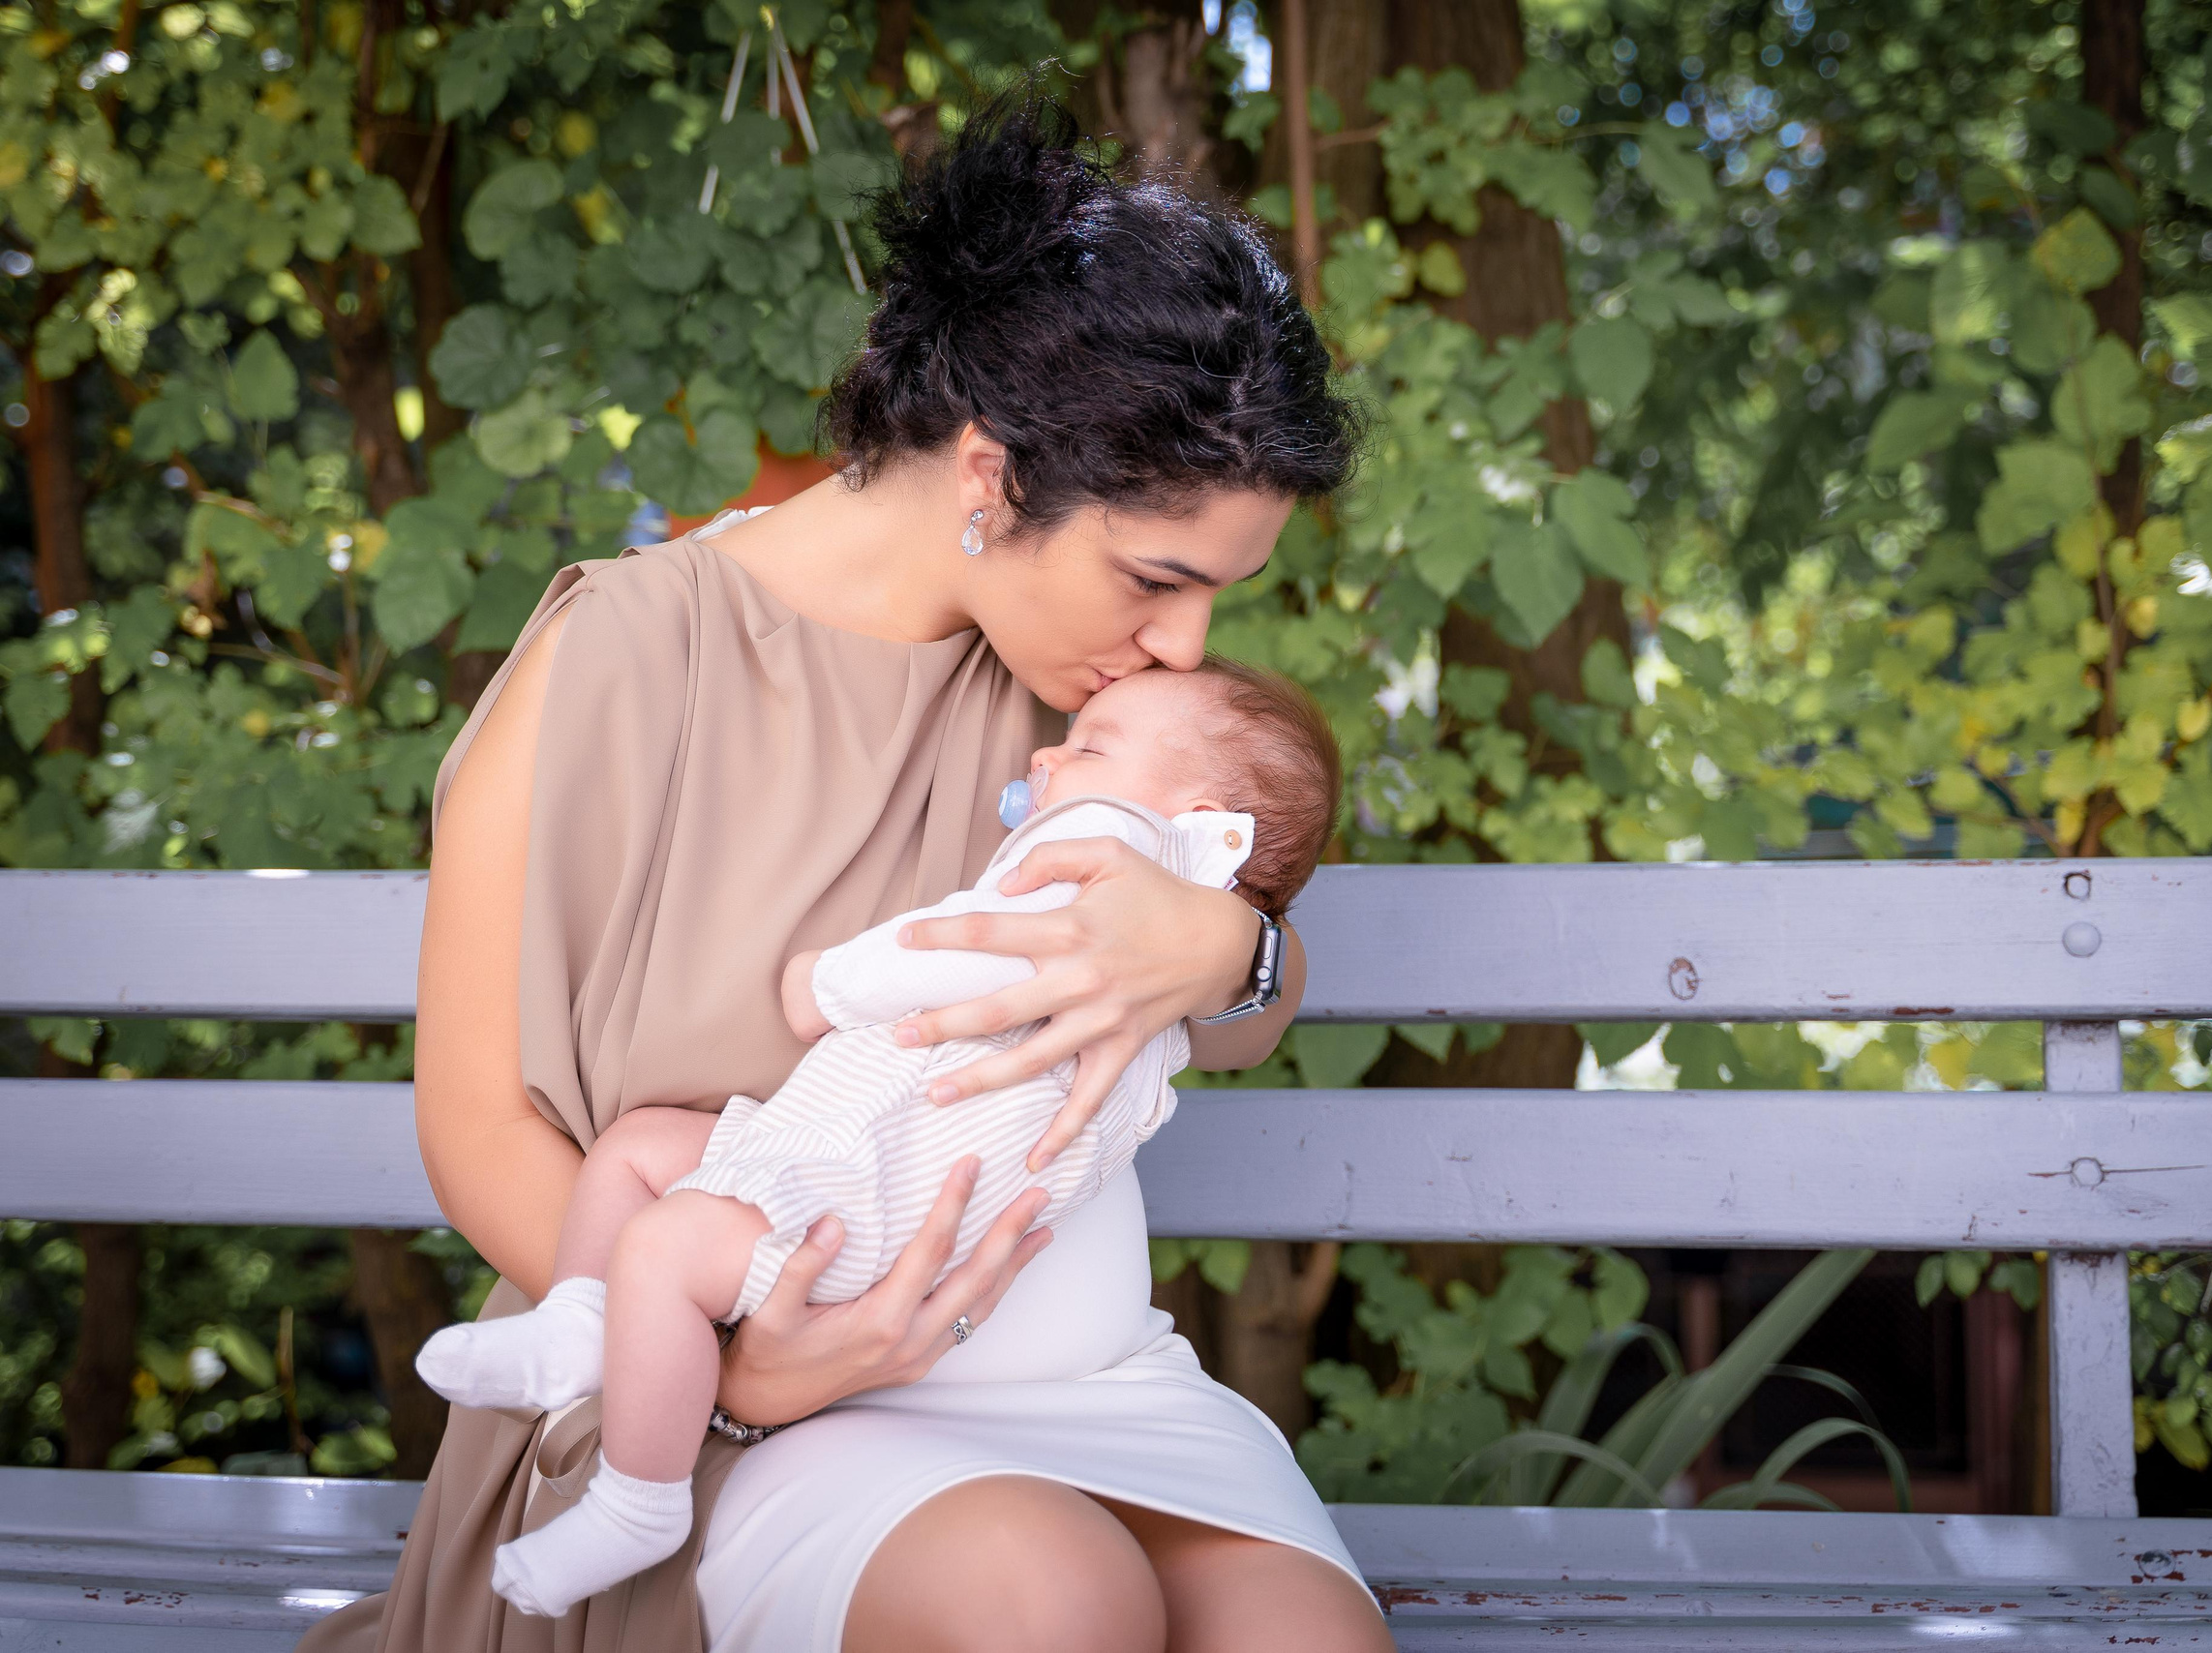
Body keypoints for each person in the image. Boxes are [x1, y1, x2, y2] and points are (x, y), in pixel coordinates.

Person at [297, 89, 1394, 1653]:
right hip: (713, 1377)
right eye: (1159, 577)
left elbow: (1239, 1017)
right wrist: (736, 1357)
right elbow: (479, 1125)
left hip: (1064, 1373)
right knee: (1047, 1599)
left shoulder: (1094, 702)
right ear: (990, 470)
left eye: (1218, 594)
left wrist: (1226, 948)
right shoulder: (614, 658)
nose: (1187, 641)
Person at [409, 661, 1345, 1617]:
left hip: (999, 1283)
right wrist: (746, 1384)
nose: (1048, 754)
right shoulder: (653, 663)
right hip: (845, 1269)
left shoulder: (1117, 828)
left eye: (1088, 744)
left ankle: (599, 1371)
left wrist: (1237, 944)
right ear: (988, 498)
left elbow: (974, 943)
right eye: (1156, 574)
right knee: (645, 1164)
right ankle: (593, 1353)